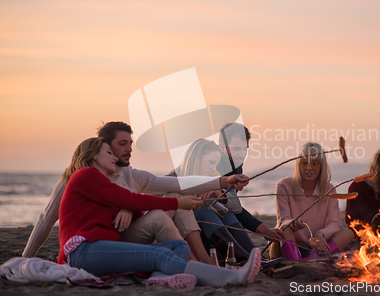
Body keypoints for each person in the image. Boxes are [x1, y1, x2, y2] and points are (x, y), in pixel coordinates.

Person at [23, 121, 248, 263]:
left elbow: (178, 183)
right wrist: (26, 258)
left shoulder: (132, 176)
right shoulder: (77, 177)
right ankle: (197, 264)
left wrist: (223, 180)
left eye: (130, 143)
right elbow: (46, 219)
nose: (129, 148)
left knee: (174, 196)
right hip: (98, 245)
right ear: (105, 147)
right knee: (170, 205)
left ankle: (200, 262)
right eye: (122, 143)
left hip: (130, 237)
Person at [58, 137, 261, 288]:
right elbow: (129, 199)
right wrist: (176, 203)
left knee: (177, 245)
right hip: (82, 250)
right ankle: (228, 277)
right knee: (160, 254)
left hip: (103, 247)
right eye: (109, 153)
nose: (115, 157)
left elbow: (132, 200)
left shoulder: (104, 183)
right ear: (93, 155)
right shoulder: (85, 175)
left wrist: (223, 182)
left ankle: (161, 278)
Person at [172, 139, 255, 262]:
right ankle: (248, 260)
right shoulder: (172, 179)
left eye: (216, 164)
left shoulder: (214, 178)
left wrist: (219, 193)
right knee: (204, 213)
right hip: (185, 241)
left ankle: (253, 256)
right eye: (211, 162)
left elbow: (237, 208)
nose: (213, 168)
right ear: (195, 159)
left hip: (209, 243)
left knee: (226, 212)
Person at [270, 142, 354, 260]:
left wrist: (320, 234)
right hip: (287, 246)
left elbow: (335, 223)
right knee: (285, 227)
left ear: (321, 166)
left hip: (315, 248)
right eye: (304, 163)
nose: (309, 168)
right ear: (298, 165)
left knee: (347, 233)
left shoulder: (329, 189)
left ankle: (309, 261)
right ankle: (297, 262)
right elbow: (283, 220)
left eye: (315, 164)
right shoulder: (284, 186)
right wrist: (294, 223)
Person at [217, 122, 285, 242]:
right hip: (196, 214)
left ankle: (250, 256)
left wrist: (266, 231)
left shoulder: (236, 166)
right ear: (222, 147)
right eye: (237, 149)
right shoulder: (213, 163)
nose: (242, 154)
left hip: (219, 215)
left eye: (245, 149)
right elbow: (234, 208)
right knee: (228, 214)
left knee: (229, 213)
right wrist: (264, 230)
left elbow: (233, 207)